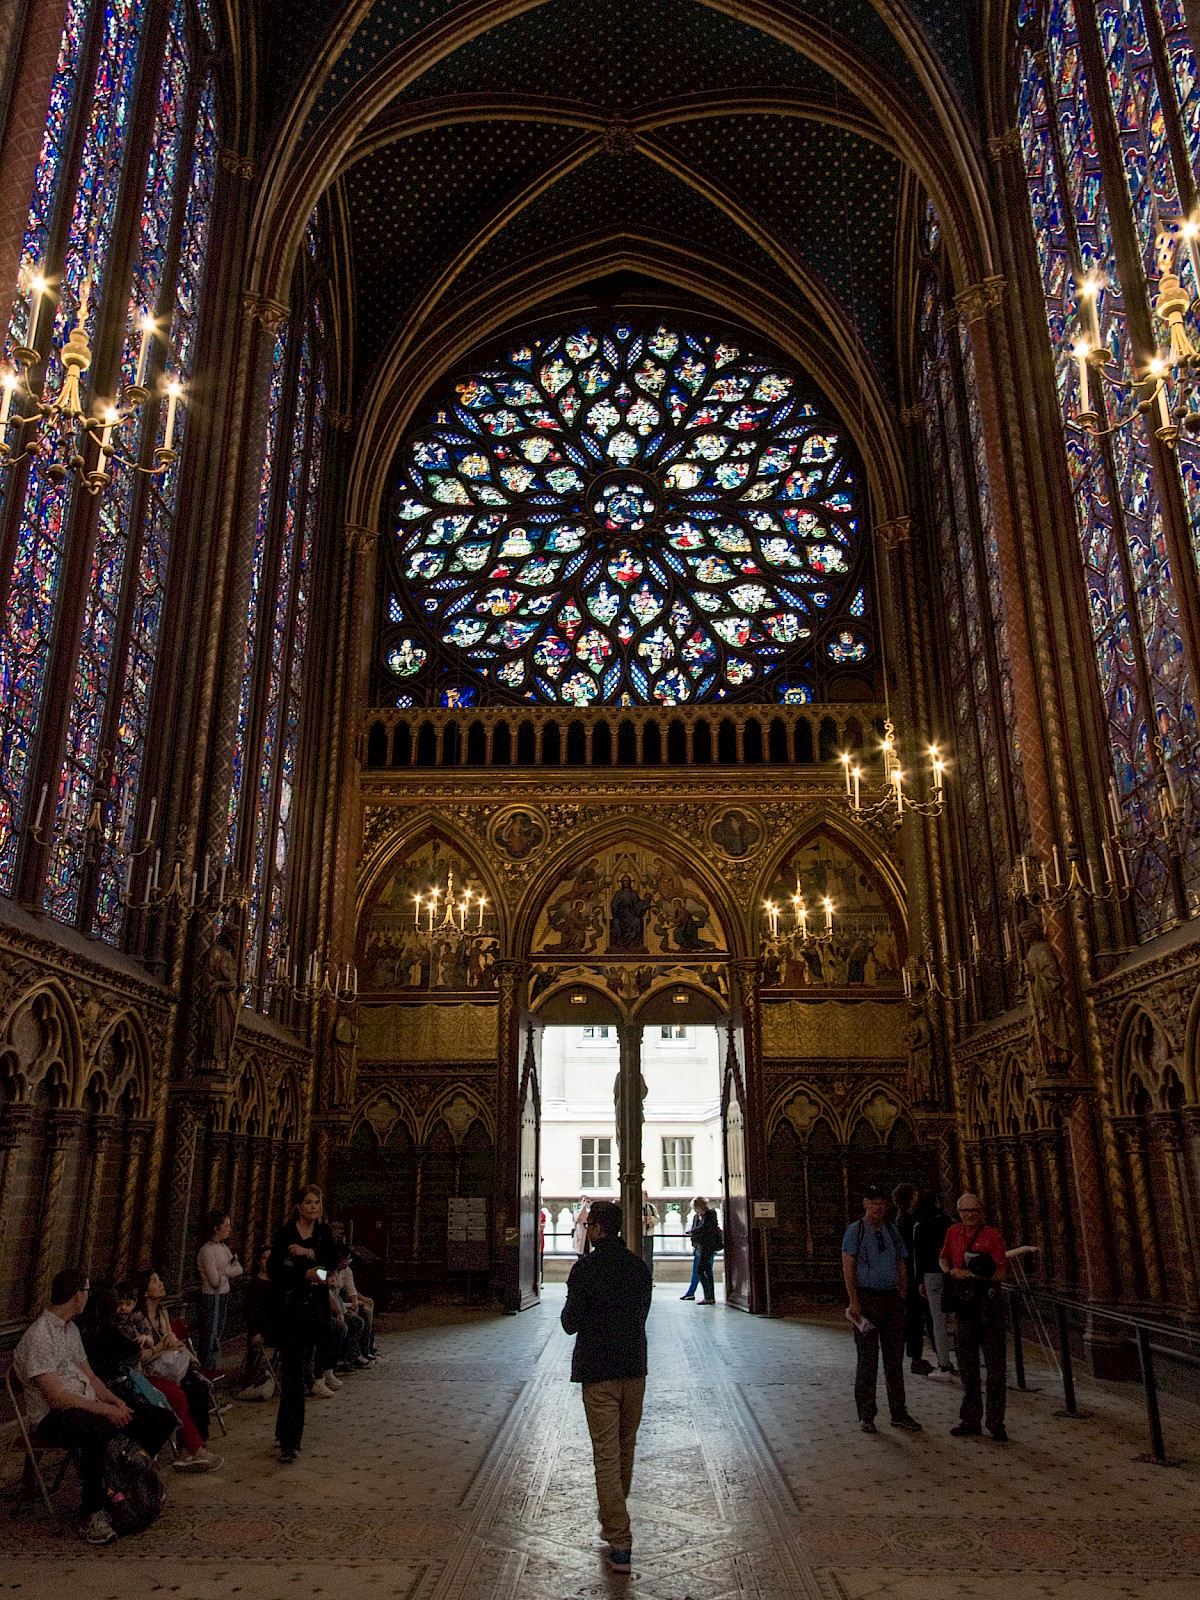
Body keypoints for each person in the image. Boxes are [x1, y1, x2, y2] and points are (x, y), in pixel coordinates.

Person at [14, 1269, 143, 1544]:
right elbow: (56, 1398)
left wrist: (112, 1400)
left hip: (81, 1405)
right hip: (52, 1416)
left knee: (134, 1412)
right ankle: (91, 1512)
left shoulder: (70, 1328)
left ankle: (129, 1489)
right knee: (98, 1428)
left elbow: (90, 1376)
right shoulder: (40, 1336)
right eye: (86, 1292)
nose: (88, 1297)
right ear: (77, 1296)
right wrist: (105, 1411)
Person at [560, 1199, 652, 1577]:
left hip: (598, 1371)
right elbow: (642, 1313)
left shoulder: (585, 1270)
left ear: (597, 1229)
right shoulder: (638, 1268)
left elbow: (569, 1323)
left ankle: (620, 1539)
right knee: (625, 1446)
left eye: (588, 1225)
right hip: (633, 1368)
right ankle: (613, 1516)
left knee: (606, 1454)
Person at [841, 1184, 922, 1435]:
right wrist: (854, 1301)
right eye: (872, 1202)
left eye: (881, 1203)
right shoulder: (856, 1231)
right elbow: (848, 1266)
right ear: (865, 1204)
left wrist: (902, 1293)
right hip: (867, 1300)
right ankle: (867, 1415)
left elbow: (901, 1261)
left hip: (891, 1301)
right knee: (867, 1360)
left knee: (894, 1360)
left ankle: (899, 1412)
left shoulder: (891, 1230)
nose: (877, 1207)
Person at [268, 1183, 340, 1462]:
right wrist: (303, 1276)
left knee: (301, 1372)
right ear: (298, 1206)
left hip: (314, 1313)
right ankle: (290, 1441)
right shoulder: (285, 1234)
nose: (313, 1207)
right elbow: (276, 1269)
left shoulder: (323, 1233)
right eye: (308, 1202)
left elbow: (330, 1268)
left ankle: (284, 1431)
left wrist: (310, 1259)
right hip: (290, 1312)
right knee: (294, 1374)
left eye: (317, 1203)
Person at [123, 1272, 220, 1468]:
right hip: (147, 1372)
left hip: (168, 1367)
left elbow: (170, 1340)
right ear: (144, 1292)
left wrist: (172, 1345)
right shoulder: (136, 1320)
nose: (160, 1284)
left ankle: (189, 1446)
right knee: (177, 1395)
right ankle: (195, 1448)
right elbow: (140, 1357)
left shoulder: (162, 1312)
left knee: (196, 1387)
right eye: (154, 1281)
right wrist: (161, 1348)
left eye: (160, 1279)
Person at [75, 1282, 178, 1463]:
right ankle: (134, 1460)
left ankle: (136, 1459)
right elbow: (131, 1353)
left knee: (165, 1408)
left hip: (108, 1389)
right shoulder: (100, 1329)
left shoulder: (86, 1328)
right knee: (160, 1417)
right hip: (104, 1390)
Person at [940, 1193, 1009, 1442]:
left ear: (981, 1212)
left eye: (974, 1211)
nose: (970, 1215)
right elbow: (943, 1257)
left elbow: (1001, 1272)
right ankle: (970, 1419)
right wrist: (950, 1272)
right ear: (959, 1212)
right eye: (965, 1211)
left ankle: (995, 1422)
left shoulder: (992, 1236)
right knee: (967, 1367)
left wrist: (973, 1274)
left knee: (995, 1369)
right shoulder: (953, 1233)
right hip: (964, 1306)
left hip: (988, 1305)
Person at [196, 1209, 243, 1374]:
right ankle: (206, 1367)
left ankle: (213, 1365)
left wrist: (223, 1272)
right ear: (216, 1227)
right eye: (226, 1225)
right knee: (210, 1334)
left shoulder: (224, 1248)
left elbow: (239, 1269)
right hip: (211, 1297)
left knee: (218, 1333)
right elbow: (214, 1280)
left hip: (224, 1295)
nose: (229, 1229)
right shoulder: (207, 1251)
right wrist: (226, 1271)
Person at [913, 1193, 955, 1380]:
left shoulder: (921, 1226)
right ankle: (965, 1360)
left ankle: (944, 1363)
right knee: (956, 1318)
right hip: (951, 1274)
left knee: (937, 1320)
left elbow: (918, 1257)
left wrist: (919, 1280)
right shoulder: (951, 1224)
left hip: (931, 1275)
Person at [892, 1183, 930, 1375]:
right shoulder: (905, 1221)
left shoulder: (906, 1219)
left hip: (912, 1275)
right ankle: (916, 1358)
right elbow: (907, 1252)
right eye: (914, 1197)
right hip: (913, 1276)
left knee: (916, 1318)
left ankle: (917, 1356)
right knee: (915, 1318)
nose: (917, 1200)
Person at [237, 1247, 277, 1400]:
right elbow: (250, 1311)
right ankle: (252, 1382)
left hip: (276, 1327)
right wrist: (255, 1332)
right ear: (260, 1262)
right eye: (265, 1258)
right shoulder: (255, 1284)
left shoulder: (277, 1282)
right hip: (260, 1329)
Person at [682, 1197, 720, 1305]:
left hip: (707, 1246)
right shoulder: (697, 1216)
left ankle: (709, 1296)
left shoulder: (710, 1213)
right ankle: (709, 1296)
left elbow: (705, 1227)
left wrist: (691, 1231)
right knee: (706, 1271)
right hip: (700, 1247)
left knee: (701, 1270)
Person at [641, 1190, 659, 1280]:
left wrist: (650, 1219)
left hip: (649, 1235)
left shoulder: (651, 1207)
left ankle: (649, 1278)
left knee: (649, 1258)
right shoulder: (634, 1207)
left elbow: (657, 1220)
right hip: (640, 1235)